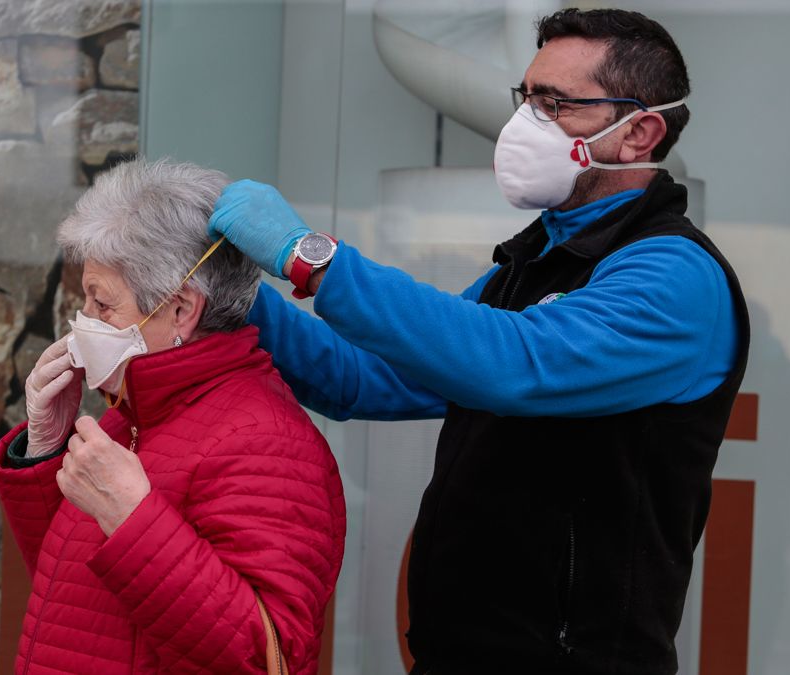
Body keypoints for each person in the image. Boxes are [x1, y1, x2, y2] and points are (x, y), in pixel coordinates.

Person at [208, 8, 749, 675]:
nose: (525, 122)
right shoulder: (533, 264)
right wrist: (232, 290)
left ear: (640, 132)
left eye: (557, 103)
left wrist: (309, 257)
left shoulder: (674, 275)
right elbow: (360, 376)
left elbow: (516, 364)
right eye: (527, 97)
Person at [0, 158, 346, 674]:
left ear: (182, 309)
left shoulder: (267, 440)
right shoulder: (131, 418)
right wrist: (46, 451)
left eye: (102, 304)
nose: (83, 323)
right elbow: (77, 601)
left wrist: (133, 519)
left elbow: (267, 657)